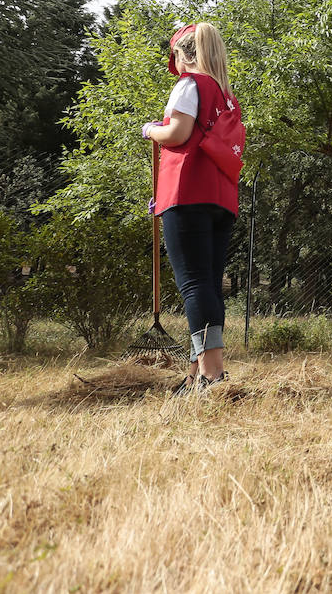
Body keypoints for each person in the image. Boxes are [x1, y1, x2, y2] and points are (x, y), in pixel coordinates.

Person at [143, 22, 240, 394]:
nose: (176, 67)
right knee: (209, 284)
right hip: (220, 198)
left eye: (176, 58)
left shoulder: (189, 85)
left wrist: (150, 129)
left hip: (187, 194)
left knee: (194, 285)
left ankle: (213, 377)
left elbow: (178, 134)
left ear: (184, 54)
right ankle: (195, 374)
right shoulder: (226, 95)